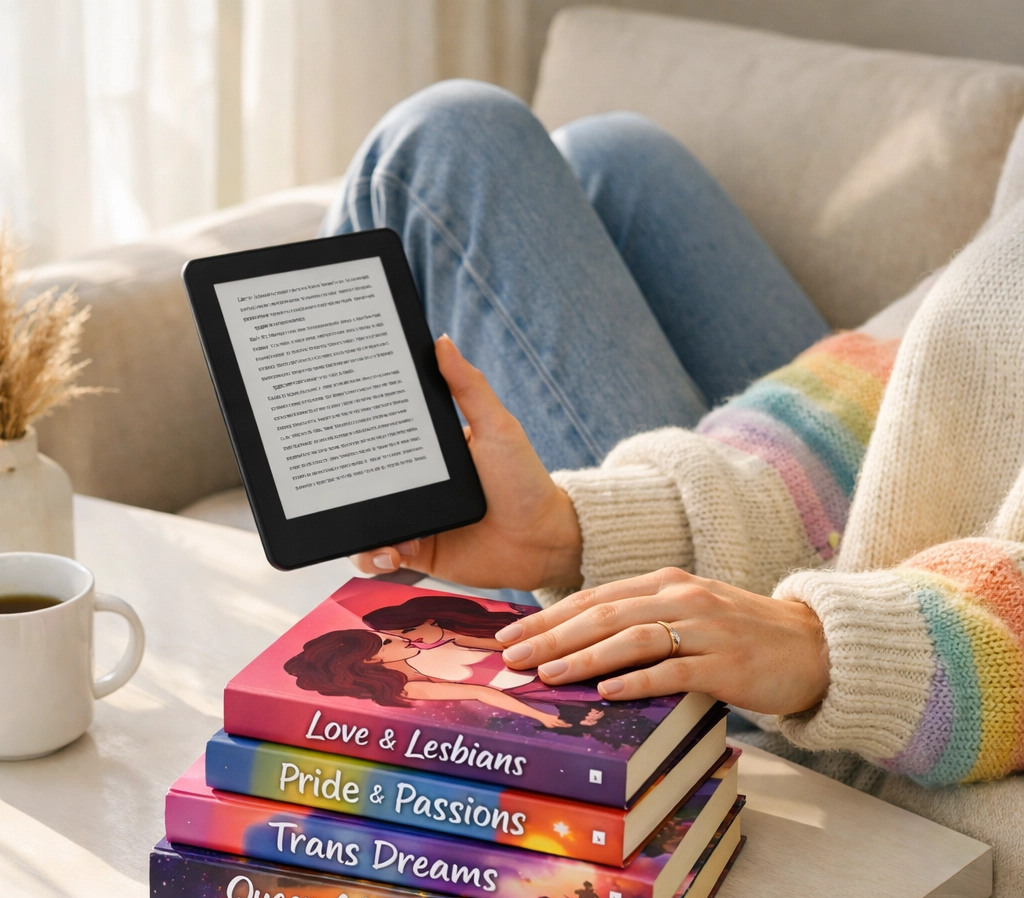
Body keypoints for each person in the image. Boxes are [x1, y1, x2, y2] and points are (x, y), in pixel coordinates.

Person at [324, 80, 1024, 788]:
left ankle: (335, 643)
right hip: (884, 529)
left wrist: (825, 650)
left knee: (445, 142)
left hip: (896, 674)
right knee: (617, 157)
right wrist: (573, 529)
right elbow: (959, 379)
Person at [283, 627, 571, 728]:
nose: (397, 638)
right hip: (530, 696)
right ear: (371, 660)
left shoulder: (415, 655)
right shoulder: (407, 687)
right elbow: (481, 693)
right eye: (386, 642)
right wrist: (540, 717)